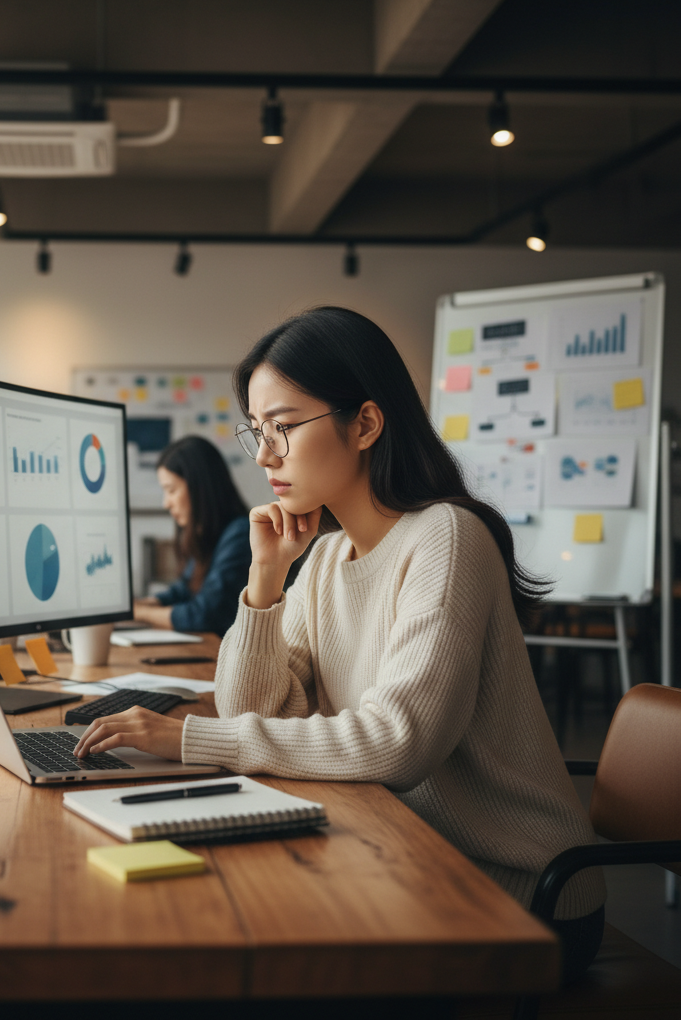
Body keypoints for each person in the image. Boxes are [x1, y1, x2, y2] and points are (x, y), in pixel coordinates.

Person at [76, 307, 605, 986]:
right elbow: (253, 706)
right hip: (401, 853)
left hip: (517, 891)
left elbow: (399, 742)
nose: (265, 455)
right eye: (257, 432)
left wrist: (188, 738)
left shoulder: (445, 538)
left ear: (365, 424)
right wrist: (265, 581)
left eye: (284, 428)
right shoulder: (324, 560)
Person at [133, 435, 250, 637]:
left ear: (200, 488)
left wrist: (140, 613)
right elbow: (183, 590)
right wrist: (139, 604)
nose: (166, 503)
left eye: (171, 490)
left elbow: (205, 614)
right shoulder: (209, 533)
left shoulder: (241, 534)